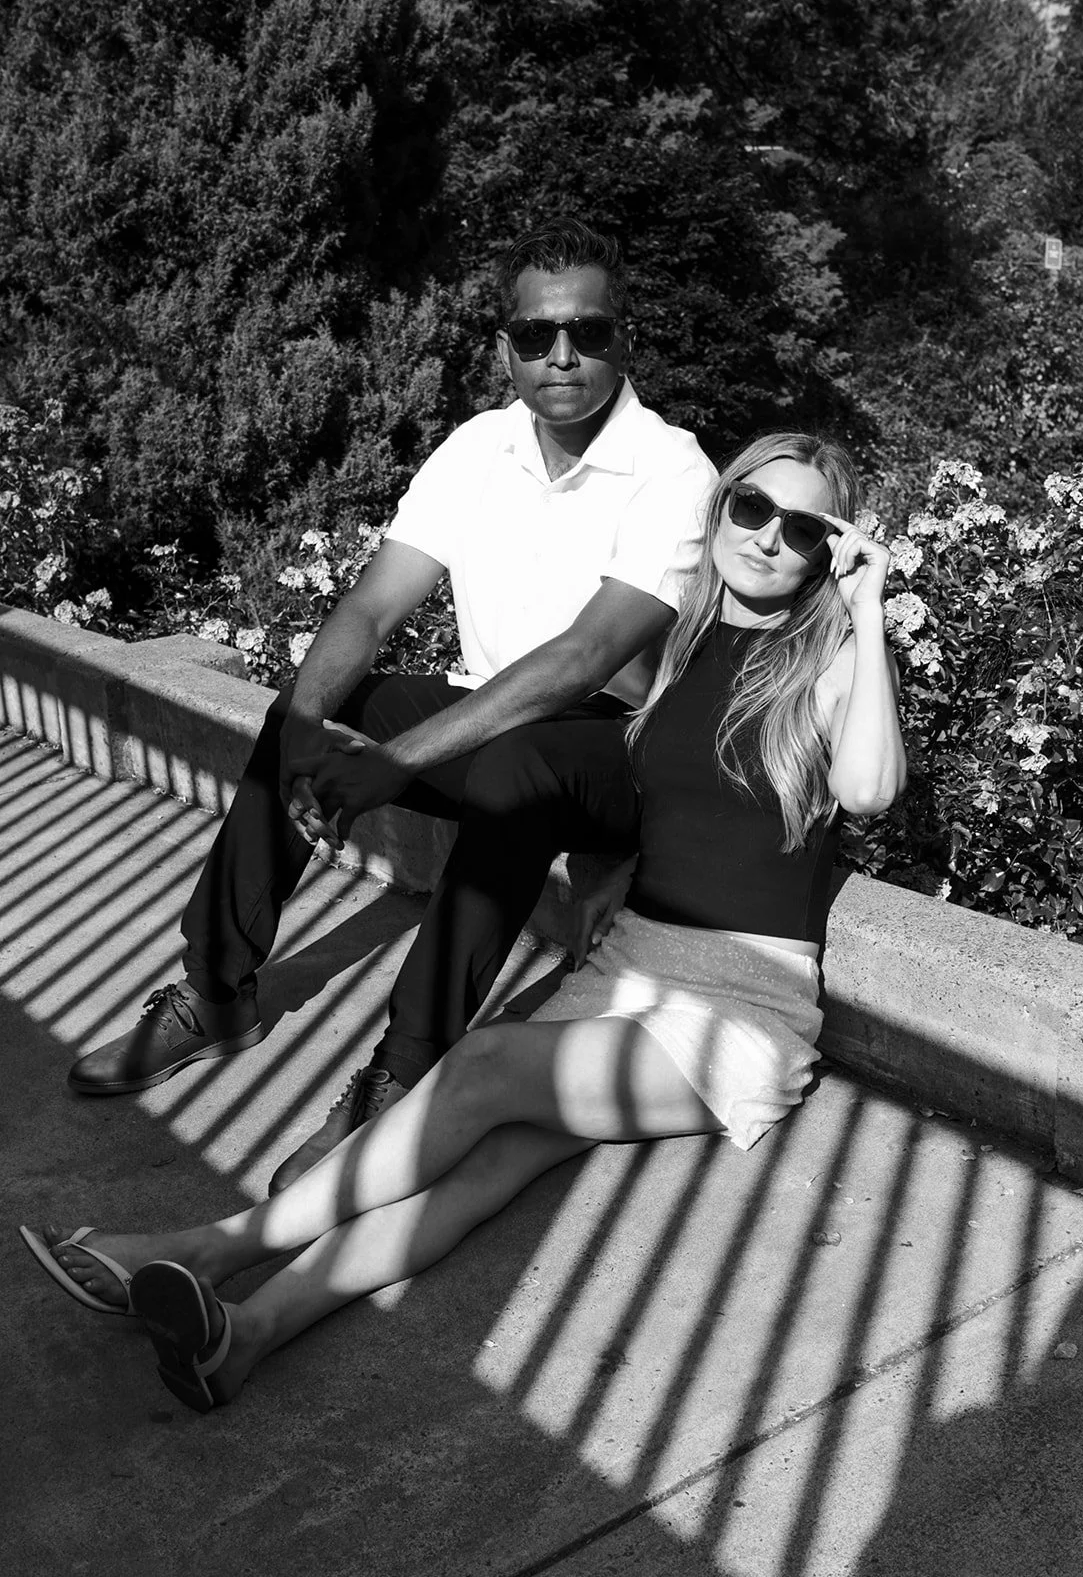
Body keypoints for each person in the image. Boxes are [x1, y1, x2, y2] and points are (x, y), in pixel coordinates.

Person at [21, 431, 906, 1413]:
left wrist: (866, 610)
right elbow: (673, 793)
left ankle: (203, 1248)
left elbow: (868, 789)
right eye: (754, 509)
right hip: (633, 964)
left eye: (806, 529)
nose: (772, 540)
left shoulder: (824, 659)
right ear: (723, 505)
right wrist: (623, 865)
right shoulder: (687, 643)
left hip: (740, 1005)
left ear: (833, 549)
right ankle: (244, 1337)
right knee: (480, 1172)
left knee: (479, 1072)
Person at [67, 219, 716, 1195]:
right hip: (503, 722)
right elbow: (370, 607)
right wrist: (308, 736)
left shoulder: (676, 474)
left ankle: (394, 1079)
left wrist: (397, 767)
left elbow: (584, 661)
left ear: (627, 340)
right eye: (536, 335)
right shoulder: (476, 453)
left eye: (588, 330)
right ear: (504, 347)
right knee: (323, 699)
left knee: (511, 768)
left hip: (622, 758)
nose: (563, 354)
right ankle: (218, 988)